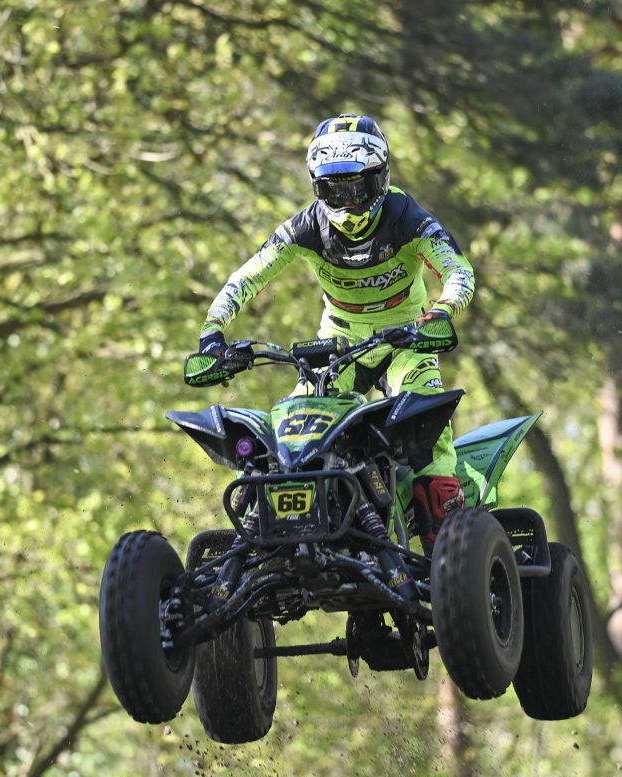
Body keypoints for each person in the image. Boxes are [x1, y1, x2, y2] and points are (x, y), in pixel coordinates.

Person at [197, 113, 477, 557]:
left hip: (406, 341)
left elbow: (459, 271)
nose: (346, 202)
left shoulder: (408, 218)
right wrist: (212, 333)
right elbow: (246, 277)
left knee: (429, 428)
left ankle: (449, 552)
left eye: (356, 188)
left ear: (380, 178)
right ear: (316, 187)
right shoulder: (305, 227)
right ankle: (257, 544)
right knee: (285, 440)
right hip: (338, 347)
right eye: (333, 189)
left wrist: (440, 312)